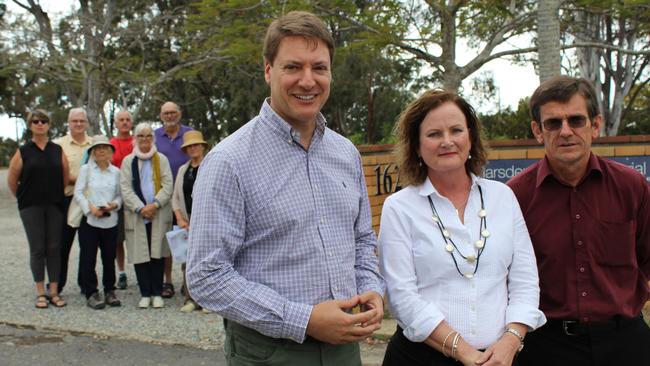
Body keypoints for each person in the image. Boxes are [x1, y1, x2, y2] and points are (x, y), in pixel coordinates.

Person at [186, 11, 385, 366]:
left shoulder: (345, 154)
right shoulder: (229, 161)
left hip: (345, 349)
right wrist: (304, 319)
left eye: (319, 68)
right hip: (269, 352)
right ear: (268, 71)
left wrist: (372, 290)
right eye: (293, 67)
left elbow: (362, 241)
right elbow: (206, 275)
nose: (308, 81)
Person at [378, 90, 546, 366]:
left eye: (456, 130)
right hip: (421, 359)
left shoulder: (502, 197)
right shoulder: (399, 207)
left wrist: (510, 341)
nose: (447, 141)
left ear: (471, 138)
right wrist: (466, 353)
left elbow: (525, 281)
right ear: (417, 146)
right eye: (433, 134)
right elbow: (401, 297)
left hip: (500, 359)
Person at [507, 76, 650, 365]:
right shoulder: (514, 197)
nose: (566, 131)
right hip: (545, 347)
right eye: (553, 123)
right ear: (538, 130)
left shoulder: (632, 187)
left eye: (576, 120)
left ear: (595, 125)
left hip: (625, 345)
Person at [7, 109, 70, 308]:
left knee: (53, 248)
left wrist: (54, 194)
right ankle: (40, 292)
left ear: (49, 125)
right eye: (36, 121)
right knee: (37, 249)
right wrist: (23, 197)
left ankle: (54, 291)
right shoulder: (23, 151)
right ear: (30, 125)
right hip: (30, 207)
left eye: (44, 121)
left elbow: (65, 177)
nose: (40, 124)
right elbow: (12, 179)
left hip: (54, 205)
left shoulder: (57, 150)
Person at [120, 123, 173, 309]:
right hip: (137, 215)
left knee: (157, 253)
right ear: (135, 138)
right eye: (140, 136)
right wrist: (141, 208)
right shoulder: (128, 161)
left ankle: (157, 292)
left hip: (158, 212)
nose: (144, 139)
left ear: (153, 138)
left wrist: (155, 205)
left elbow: (168, 185)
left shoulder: (161, 159)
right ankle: (145, 293)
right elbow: (125, 188)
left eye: (148, 136)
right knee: (140, 252)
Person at [74, 135, 123, 309]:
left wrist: (114, 205)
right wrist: (90, 208)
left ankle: (110, 290)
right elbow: (78, 193)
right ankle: (91, 292)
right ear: (93, 152)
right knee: (88, 258)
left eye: (104, 148)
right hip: (90, 220)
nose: (101, 151)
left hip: (110, 221)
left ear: (110, 151)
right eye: (97, 148)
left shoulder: (116, 172)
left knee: (109, 257)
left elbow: (120, 194)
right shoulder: (86, 170)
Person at [155, 101, 192, 299]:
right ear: (161, 115)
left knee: (188, 240)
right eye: (166, 113)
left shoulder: (189, 133)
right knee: (166, 240)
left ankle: (188, 283)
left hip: (185, 195)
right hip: (163, 195)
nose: (169, 116)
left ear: (179, 113)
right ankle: (167, 280)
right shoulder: (155, 137)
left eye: (172, 112)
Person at [54, 107, 93, 294]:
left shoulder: (94, 145)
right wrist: (79, 181)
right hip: (67, 200)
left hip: (89, 202)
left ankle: (86, 285)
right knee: (62, 245)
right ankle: (57, 284)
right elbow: (57, 173)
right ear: (68, 123)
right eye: (74, 121)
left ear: (86, 123)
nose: (78, 124)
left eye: (81, 121)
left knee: (88, 246)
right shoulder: (58, 145)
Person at [171, 131, 208, 313]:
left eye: (196, 145)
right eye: (190, 146)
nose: (193, 148)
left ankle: (208, 301)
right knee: (187, 262)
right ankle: (190, 298)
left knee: (208, 261)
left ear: (202, 146)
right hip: (186, 222)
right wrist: (179, 218)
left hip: (207, 221)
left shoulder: (211, 165)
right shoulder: (182, 170)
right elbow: (176, 197)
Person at [109, 110, 134, 290]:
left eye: (127, 120)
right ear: (116, 123)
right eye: (121, 120)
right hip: (116, 195)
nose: (124, 123)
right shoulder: (111, 144)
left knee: (136, 235)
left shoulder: (137, 142)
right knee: (118, 239)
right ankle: (122, 272)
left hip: (134, 195)